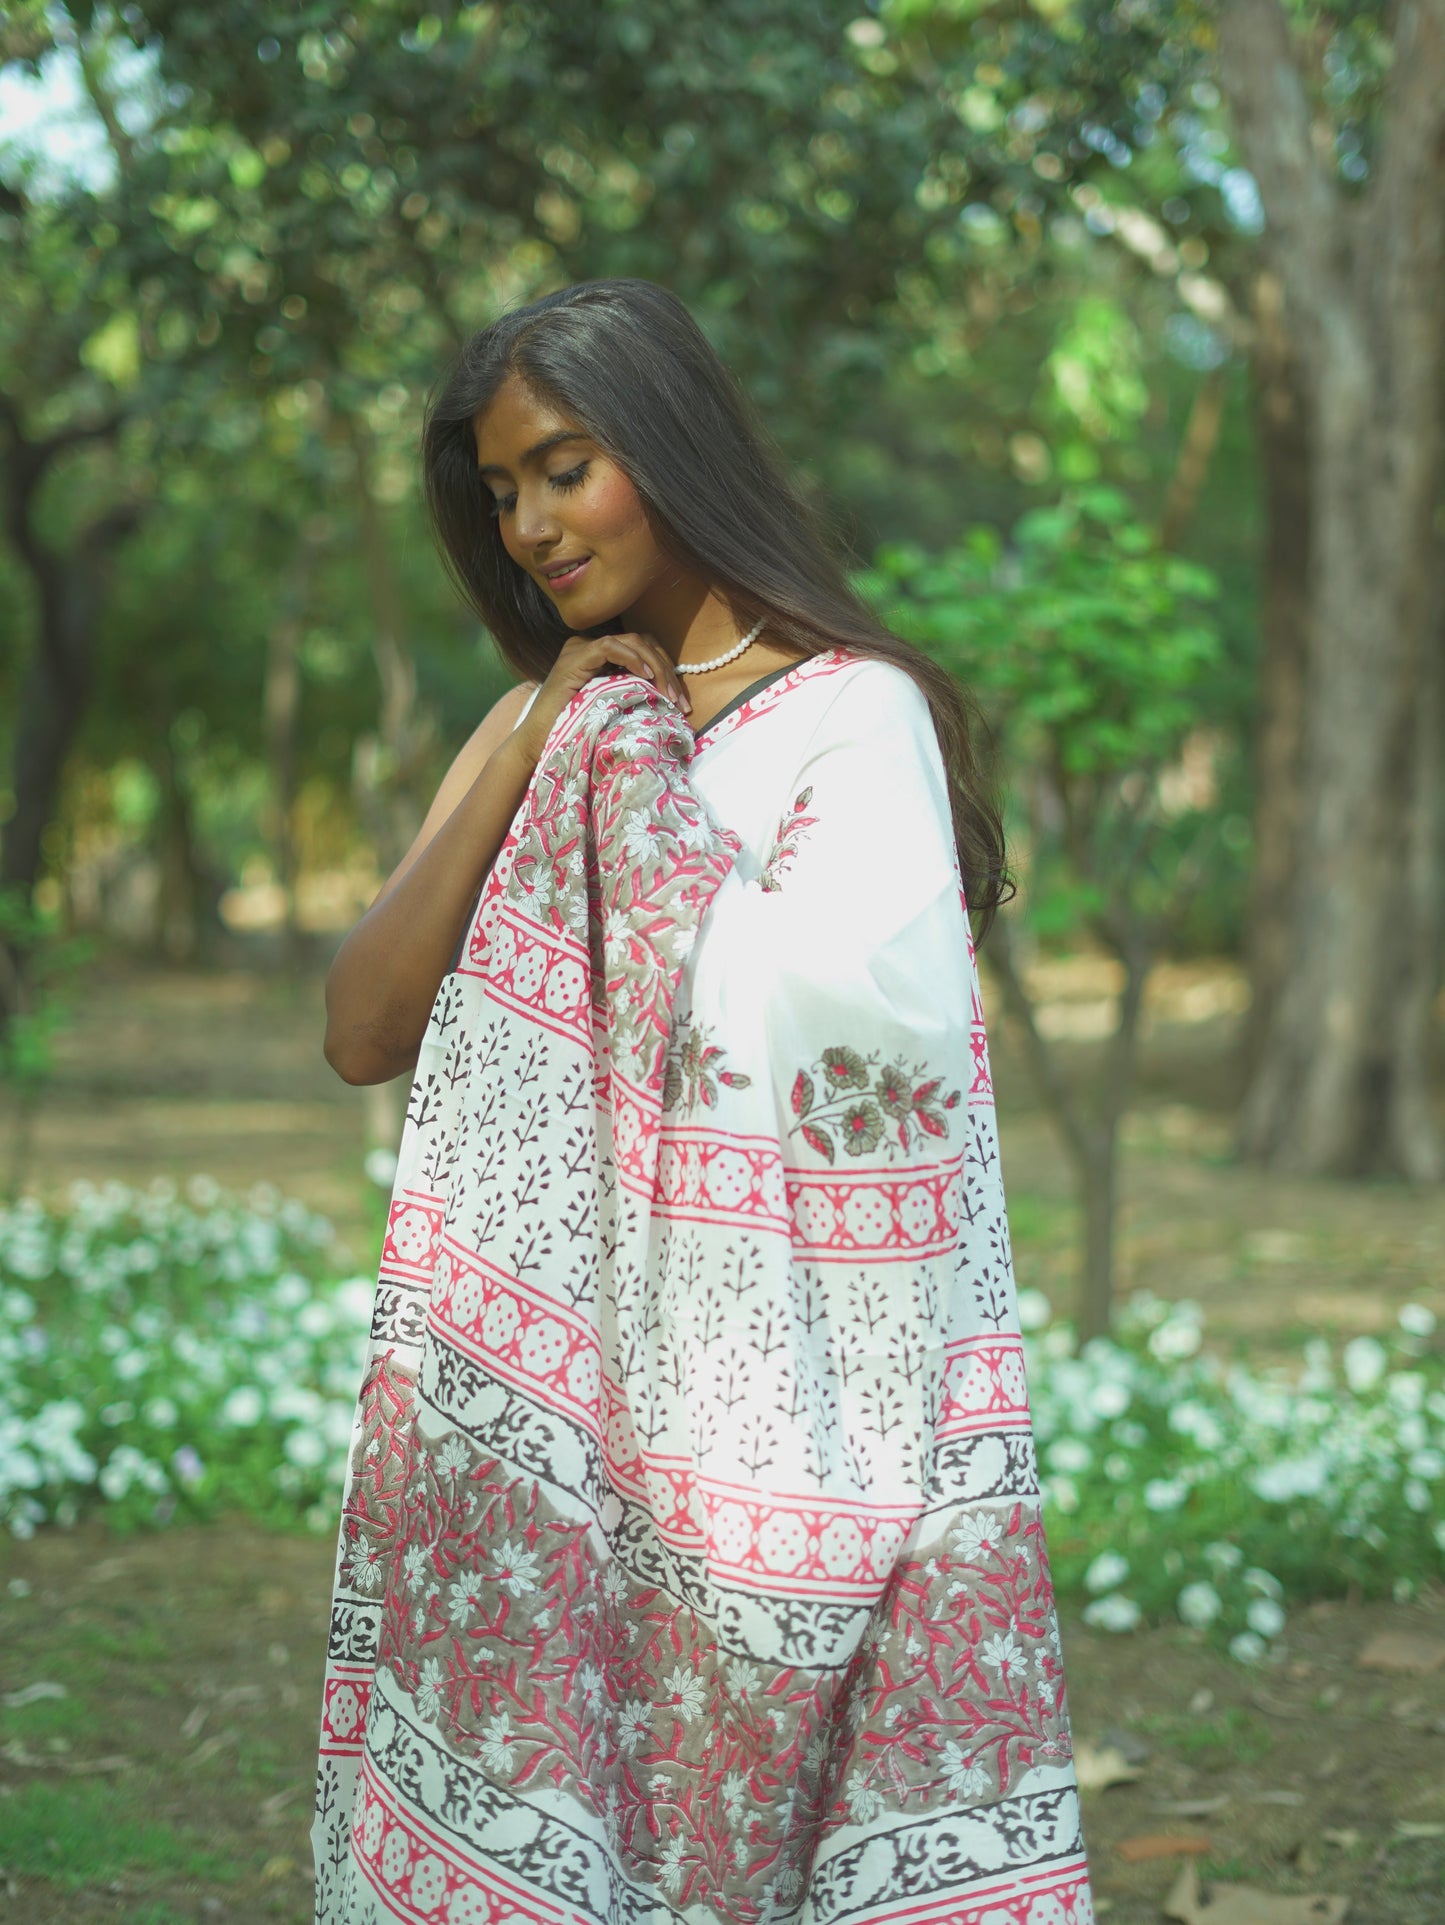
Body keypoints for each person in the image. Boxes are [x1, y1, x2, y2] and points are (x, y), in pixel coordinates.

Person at [313, 279, 1094, 1925]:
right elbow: (363, 1023)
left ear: (664, 444)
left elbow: (860, 1032)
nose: (529, 522)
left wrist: (647, 823)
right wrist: (547, 741)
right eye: (502, 488)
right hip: (561, 1395)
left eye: (564, 465)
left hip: (780, 1407)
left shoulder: (847, 716)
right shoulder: (553, 721)